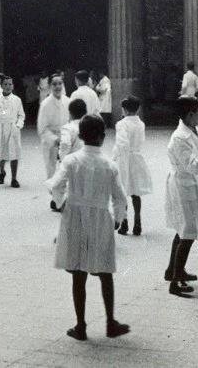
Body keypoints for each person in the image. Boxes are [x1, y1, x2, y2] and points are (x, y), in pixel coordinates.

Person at [47, 114, 130, 341]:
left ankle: (81, 325)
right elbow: (120, 198)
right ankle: (110, 321)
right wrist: (117, 219)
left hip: (74, 216)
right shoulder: (109, 165)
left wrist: (62, 204)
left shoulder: (71, 161)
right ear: (103, 137)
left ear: (80, 136)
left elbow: (55, 186)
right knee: (105, 271)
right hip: (100, 217)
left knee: (78, 272)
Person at [164, 96, 198, 297]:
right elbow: (194, 164)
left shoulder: (193, 131)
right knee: (187, 230)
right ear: (189, 114)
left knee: (184, 229)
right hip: (183, 184)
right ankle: (175, 281)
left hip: (191, 183)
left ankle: (173, 269)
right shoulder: (180, 137)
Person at [112, 96, 151, 236]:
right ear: (138, 109)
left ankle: (124, 222)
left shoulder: (121, 124)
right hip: (137, 157)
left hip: (124, 159)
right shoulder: (141, 123)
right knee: (135, 191)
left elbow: (122, 143)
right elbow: (141, 140)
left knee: (123, 190)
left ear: (124, 109)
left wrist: (115, 156)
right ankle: (138, 221)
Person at [37, 74, 70, 209]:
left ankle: (60, 199)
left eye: (60, 84)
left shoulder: (67, 101)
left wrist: (68, 137)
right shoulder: (45, 104)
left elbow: (71, 121)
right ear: (50, 86)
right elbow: (42, 127)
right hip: (51, 141)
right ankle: (56, 199)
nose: (57, 87)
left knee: (65, 171)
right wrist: (54, 140)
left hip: (66, 139)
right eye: (54, 84)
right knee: (51, 171)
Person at [0, 75, 25, 187]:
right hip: (1, 129)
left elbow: (21, 115)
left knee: (14, 153)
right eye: (5, 84)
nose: (8, 86)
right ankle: (2, 172)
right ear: (1, 86)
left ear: (13, 86)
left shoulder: (17, 100)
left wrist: (18, 126)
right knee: (1, 152)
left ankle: (14, 178)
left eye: (10, 84)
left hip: (13, 129)